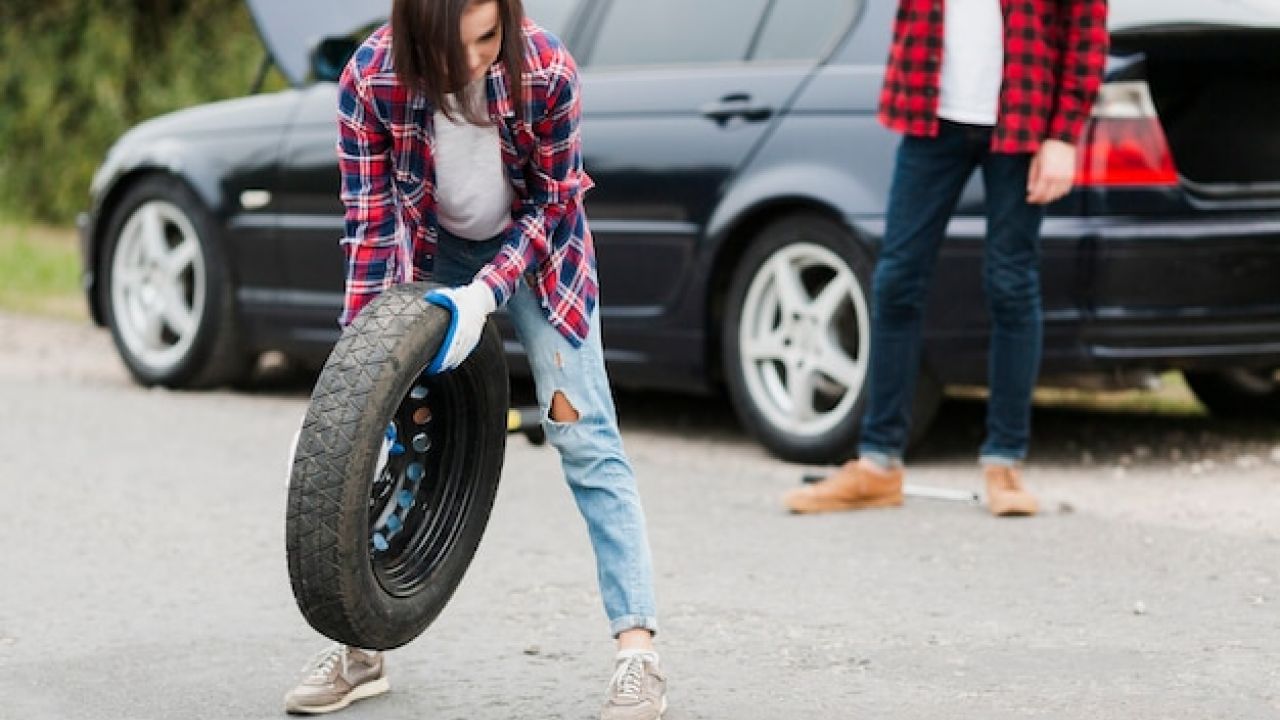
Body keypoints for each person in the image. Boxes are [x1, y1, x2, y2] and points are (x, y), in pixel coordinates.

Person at [284, 1, 665, 717]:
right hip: (433, 256)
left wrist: (488, 294)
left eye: (487, 40)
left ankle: (637, 652)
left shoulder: (544, 69)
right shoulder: (369, 79)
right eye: (448, 49)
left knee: (577, 430)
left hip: (541, 269)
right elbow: (370, 229)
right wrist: (356, 391)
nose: (471, 65)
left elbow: (554, 206)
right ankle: (360, 649)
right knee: (385, 438)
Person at [786, 0, 1109, 517]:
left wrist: (1064, 135)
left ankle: (1005, 463)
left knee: (1010, 281)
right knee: (897, 281)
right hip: (930, 115)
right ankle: (878, 465)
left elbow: (1086, 30)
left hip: (1022, 119)